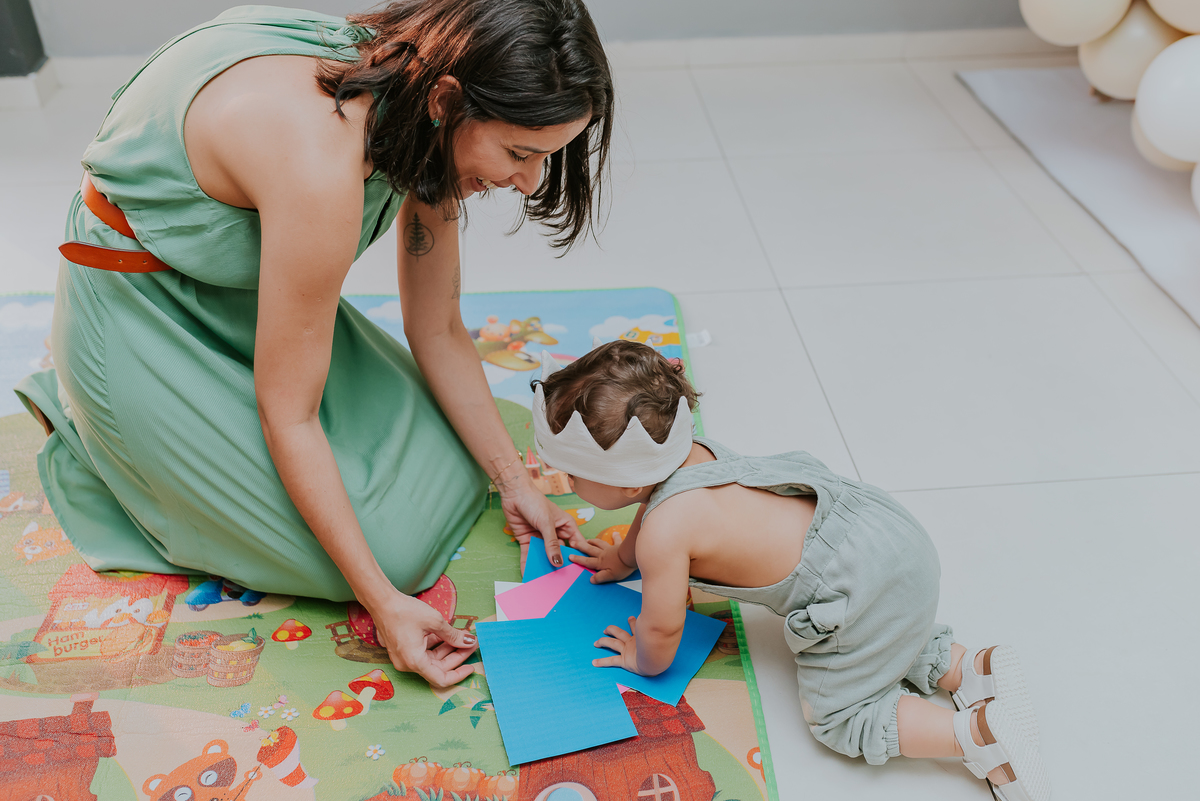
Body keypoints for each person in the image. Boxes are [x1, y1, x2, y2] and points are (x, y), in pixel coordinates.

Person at [14, 0, 610, 687]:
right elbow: (288, 415)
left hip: (238, 294)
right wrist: (383, 602)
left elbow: (437, 323)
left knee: (457, 467)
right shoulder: (320, 159)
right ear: (450, 100)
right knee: (397, 552)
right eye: (519, 154)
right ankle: (100, 433)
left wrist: (515, 481)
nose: (529, 182)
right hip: (134, 312)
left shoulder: (419, 91)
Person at [533, 341, 1050, 801]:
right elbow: (650, 512)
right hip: (886, 538)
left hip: (858, 586)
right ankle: (967, 666)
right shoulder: (694, 455)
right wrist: (622, 558)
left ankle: (974, 735)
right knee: (887, 624)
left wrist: (642, 659)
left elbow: (664, 628)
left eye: (573, 474)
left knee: (839, 718)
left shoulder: (667, 535)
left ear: (626, 484)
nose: (566, 480)